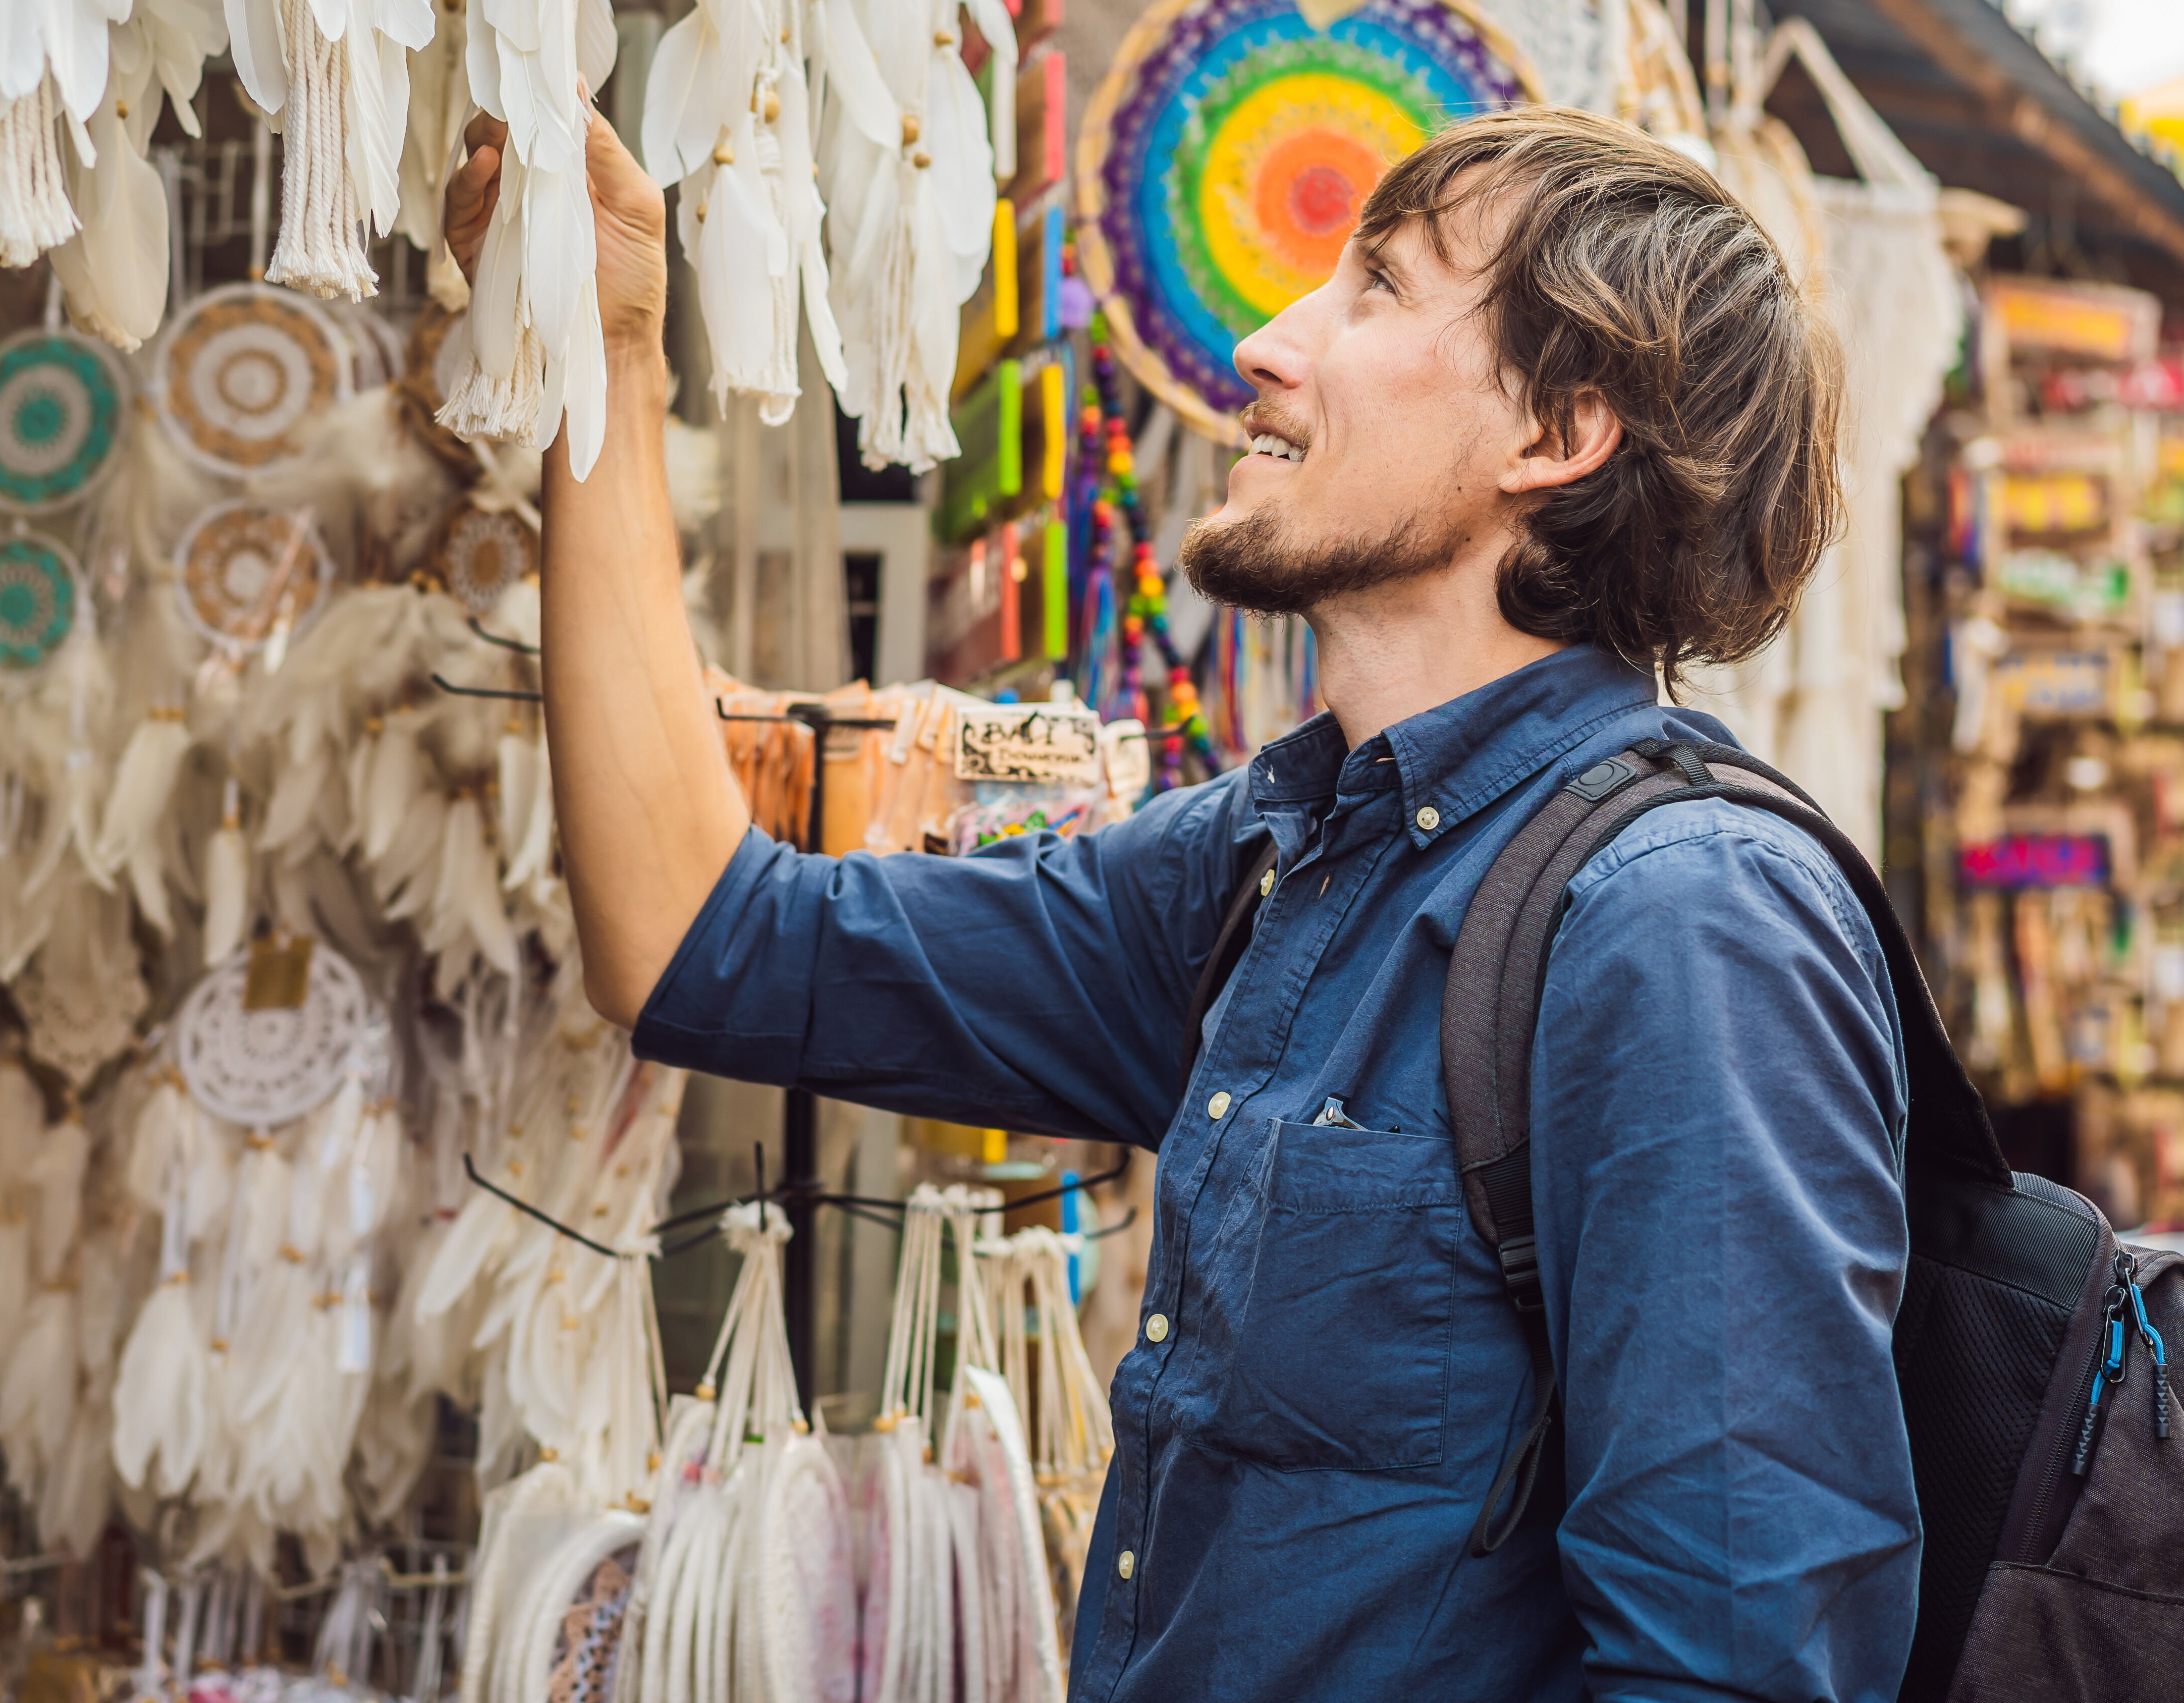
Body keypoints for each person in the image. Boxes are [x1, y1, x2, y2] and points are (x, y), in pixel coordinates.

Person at [447, 100, 1913, 1699]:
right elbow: (698, 942)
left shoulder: (1684, 923)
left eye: (1378, 291)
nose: (1268, 348)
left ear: (1558, 436)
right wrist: (612, 354)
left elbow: (1739, 1661)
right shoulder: (1272, 862)